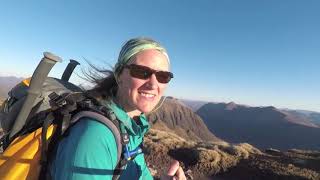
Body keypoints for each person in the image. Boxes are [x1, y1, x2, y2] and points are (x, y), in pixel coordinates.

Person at [50, 37, 186, 180]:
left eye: (163, 76)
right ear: (119, 74)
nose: (153, 84)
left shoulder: (133, 126)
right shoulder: (95, 137)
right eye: (141, 71)